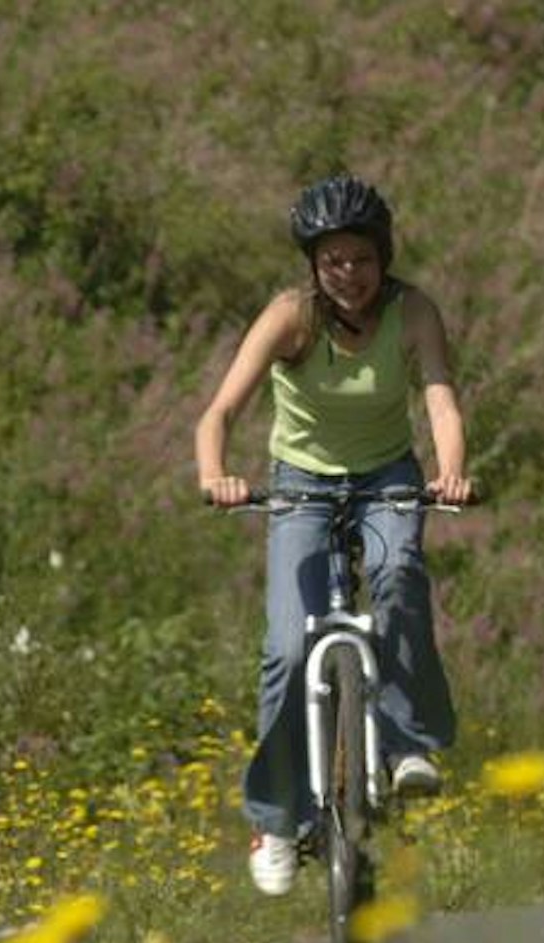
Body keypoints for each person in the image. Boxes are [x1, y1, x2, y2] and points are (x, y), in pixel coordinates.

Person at [197, 174, 474, 896]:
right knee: (290, 648)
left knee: (400, 576)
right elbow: (220, 411)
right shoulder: (292, 316)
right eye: (333, 261)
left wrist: (451, 472)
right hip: (302, 487)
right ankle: (276, 819)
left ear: (383, 257)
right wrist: (215, 473)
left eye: (361, 258)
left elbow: (439, 397)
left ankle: (408, 745)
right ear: (314, 266)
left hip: (388, 477)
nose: (348, 274)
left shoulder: (412, 311)